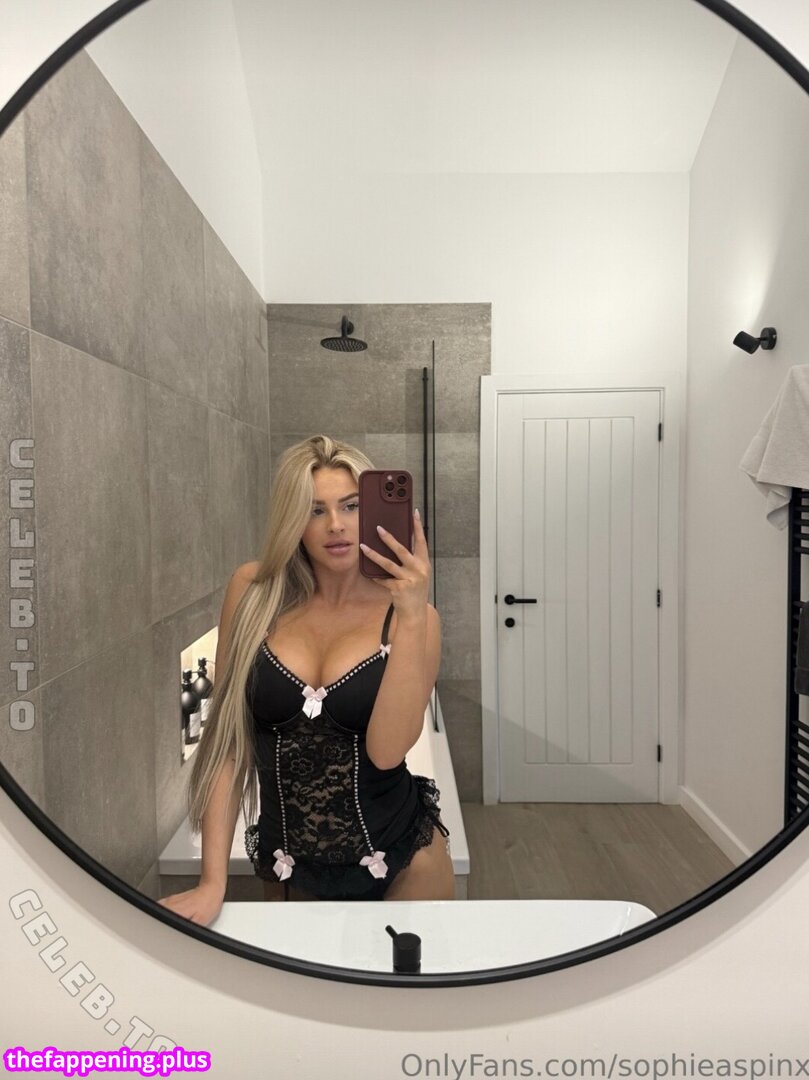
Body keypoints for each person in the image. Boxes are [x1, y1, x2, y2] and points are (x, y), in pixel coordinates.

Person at [158, 434, 453, 926]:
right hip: (292, 870)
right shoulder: (253, 593)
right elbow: (228, 743)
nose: (335, 524)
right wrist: (213, 882)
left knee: (406, 980)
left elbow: (387, 752)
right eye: (315, 510)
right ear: (292, 520)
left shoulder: (415, 618)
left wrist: (410, 614)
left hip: (406, 865)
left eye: (351, 506)